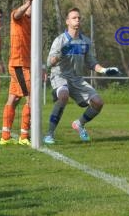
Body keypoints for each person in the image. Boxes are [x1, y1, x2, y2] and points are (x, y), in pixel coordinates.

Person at [44, 8, 119, 145]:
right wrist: (61, 53)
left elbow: (92, 63)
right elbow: (50, 62)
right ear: (67, 21)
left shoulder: (85, 41)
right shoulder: (60, 40)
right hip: (60, 76)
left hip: (77, 79)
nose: (77, 20)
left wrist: (104, 71)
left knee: (98, 102)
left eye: (79, 18)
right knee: (64, 95)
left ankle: (79, 124)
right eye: (74, 18)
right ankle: (49, 134)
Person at [0, 0, 36, 145]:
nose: (32, 8)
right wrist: (28, 2)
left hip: (25, 65)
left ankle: (5, 136)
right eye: (31, 5)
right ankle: (24, 136)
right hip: (19, 64)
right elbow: (16, 14)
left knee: (13, 99)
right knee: (32, 98)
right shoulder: (18, 17)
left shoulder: (33, 23)